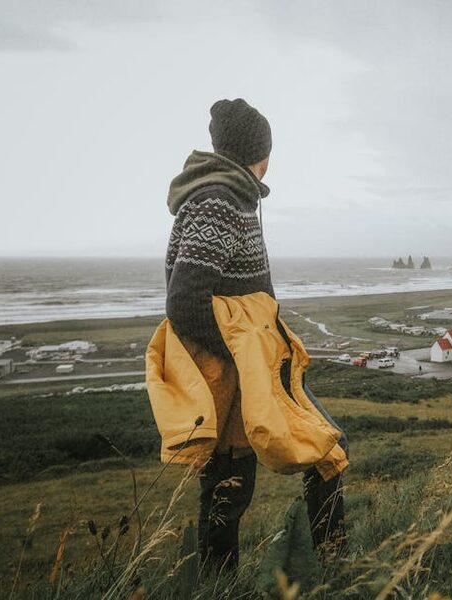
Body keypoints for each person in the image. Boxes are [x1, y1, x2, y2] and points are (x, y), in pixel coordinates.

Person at [164, 98, 346, 571]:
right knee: (234, 486)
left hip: (252, 368)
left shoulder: (229, 196)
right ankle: (328, 567)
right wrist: (245, 360)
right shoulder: (219, 202)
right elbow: (184, 301)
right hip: (237, 373)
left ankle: (326, 565)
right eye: (270, 150)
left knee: (318, 451)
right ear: (259, 153)